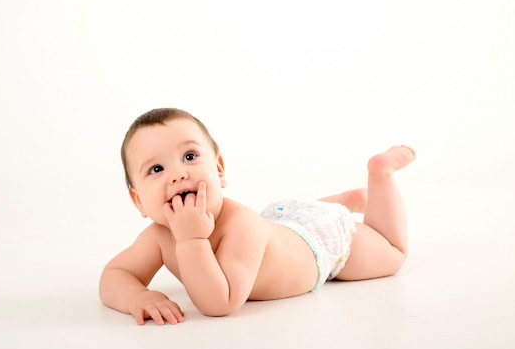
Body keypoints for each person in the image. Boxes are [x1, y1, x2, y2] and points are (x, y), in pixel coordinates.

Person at [99, 108, 416, 325]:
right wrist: (137, 297)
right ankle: (346, 200)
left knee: (392, 254)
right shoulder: (156, 236)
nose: (178, 175)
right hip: (283, 222)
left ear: (219, 171)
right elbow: (115, 274)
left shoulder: (242, 225)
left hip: (322, 244)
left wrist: (192, 239)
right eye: (156, 169)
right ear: (139, 201)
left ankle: (380, 175)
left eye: (190, 156)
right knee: (290, 228)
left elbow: (220, 303)